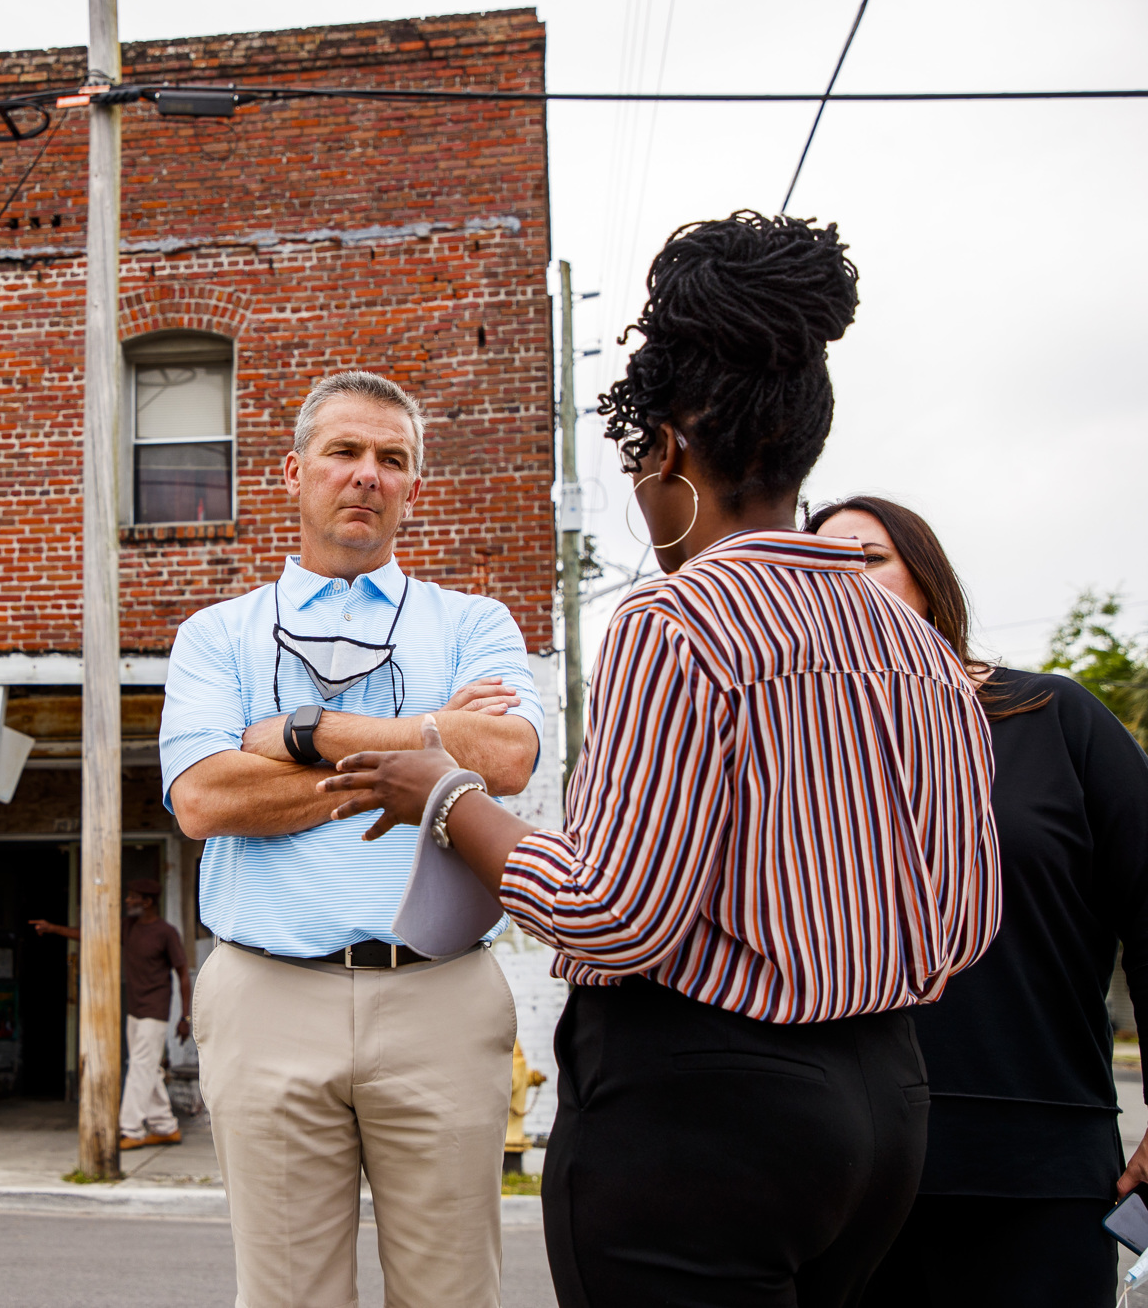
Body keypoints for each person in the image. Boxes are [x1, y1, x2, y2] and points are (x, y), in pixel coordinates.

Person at [317, 213, 1001, 1308]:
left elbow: (612, 914)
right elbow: (962, 919)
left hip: (702, 1117)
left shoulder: (676, 621)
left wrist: (442, 797)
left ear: (667, 454)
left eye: (636, 463)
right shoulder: (917, 648)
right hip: (885, 1107)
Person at [159, 369, 544, 1308]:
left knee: (452, 1294)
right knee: (287, 1296)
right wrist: (425, 740)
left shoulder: (474, 622)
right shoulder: (218, 634)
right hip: (266, 991)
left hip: (440, 994)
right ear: (293, 473)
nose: (367, 474)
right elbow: (205, 797)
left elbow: (504, 753)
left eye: (392, 459)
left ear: (414, 486)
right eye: (345, 452)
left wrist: (304, 735)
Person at [803, 496, 1148, 1307]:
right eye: (818, 563)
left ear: (926, 577)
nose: (843, 577)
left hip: (1039, 1162)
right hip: (837, 1169)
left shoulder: (1057, 718)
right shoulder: (792, 751)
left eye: (869, 554)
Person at [30, 878, 191, 1149]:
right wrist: (53, 928)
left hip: (155, 1011)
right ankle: (165, 1127)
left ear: (148, 902)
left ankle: (130, 1130)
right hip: (135, 1011)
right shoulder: (128, 928)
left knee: (140, 1067)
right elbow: (91, 934)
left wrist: (185, 1018)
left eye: (133, 897)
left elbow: (184, 975)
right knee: (147, 1068)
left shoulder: (166, 932)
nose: (127, 901)